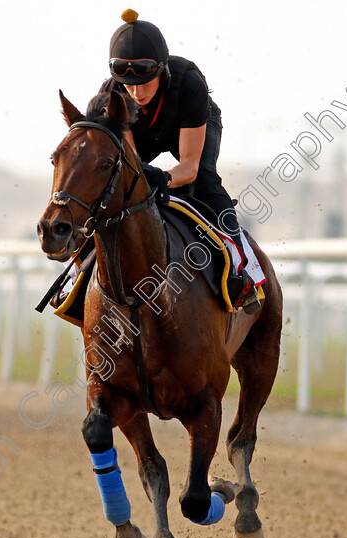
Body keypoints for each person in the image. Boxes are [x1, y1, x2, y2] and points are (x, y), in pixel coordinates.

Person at [98, 9, 260, 313]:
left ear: (161, 70)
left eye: (145, 81)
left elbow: (190, 166)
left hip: (190, 125)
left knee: (205, 182)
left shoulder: (189, 84)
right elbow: (133, 166)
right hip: (141, 132)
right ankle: (76, 277)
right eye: (128, 84)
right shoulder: (114, 96)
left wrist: (165, 179)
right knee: (112, 183)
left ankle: (244, 270)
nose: (136, 92)